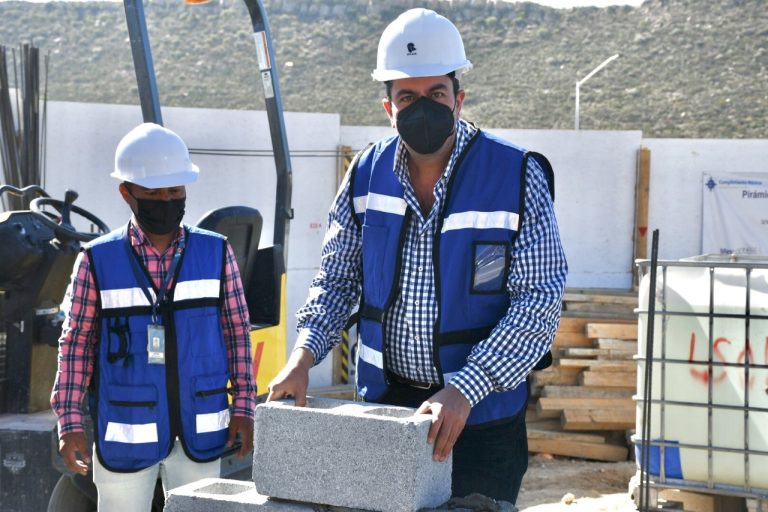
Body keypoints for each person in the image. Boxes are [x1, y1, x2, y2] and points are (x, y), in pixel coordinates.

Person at [267, 7, 567, 504]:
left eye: (436, 94)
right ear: (388, 107)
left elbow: (537, 303)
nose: (421, 107)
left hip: (482, 420)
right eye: (407, 96)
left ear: (459, 99)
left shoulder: (515, 175)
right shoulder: (365, 174)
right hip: (389, 413)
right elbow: (336, 281)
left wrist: (465, 388)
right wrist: (303, 356)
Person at [51, 123, 256, 511]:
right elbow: (75, 345)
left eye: (175, 191)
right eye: (153, 192)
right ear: (126, 193)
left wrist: (244, 406)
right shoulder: (96, 261)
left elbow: (237, 334)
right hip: (125, 436)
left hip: (200, 430)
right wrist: (70, 421)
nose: (166, 200)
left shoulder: (216, 253)